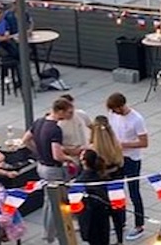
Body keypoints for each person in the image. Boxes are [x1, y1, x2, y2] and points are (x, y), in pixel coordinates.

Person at [25, 97, 75, 243]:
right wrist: (70, 159)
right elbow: (57, 155)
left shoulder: (39, 122)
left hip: (41, 166)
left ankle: (48, 232)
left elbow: (26, 139)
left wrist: (38, 152)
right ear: (60, 111)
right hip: (53, 169)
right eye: (68, 112)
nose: (69, 115)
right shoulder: (55, 129)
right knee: (57, 202)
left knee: (48, 200)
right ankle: (56, 232)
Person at [106, 93, 149, 240]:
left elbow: (144, 142)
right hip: (117, 157)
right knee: (117, 191)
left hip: (132, 159)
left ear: (121, 106)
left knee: (134, 192)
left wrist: (124, 144)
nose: (113, 112)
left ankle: (139, 225)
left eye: (115, 109)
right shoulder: (113, 114)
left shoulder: (136, 119)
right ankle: (120, 221)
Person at [89, 116, 126, 243]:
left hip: (102, 188)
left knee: (103, 217)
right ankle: (120, 239)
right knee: (118, 214)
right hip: (116, 185)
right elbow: (121, 165)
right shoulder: (116, 145)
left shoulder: (93, 150)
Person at [74, 149, 112, 245]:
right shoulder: (101, 174)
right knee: (104, 239)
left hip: (90, 217)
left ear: (84, 162)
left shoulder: (81, 181)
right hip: (102, 214)